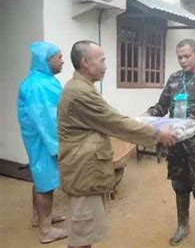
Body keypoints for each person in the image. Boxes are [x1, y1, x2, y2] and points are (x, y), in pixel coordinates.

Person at [58, 40, 174, 248]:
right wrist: (156, 134)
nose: (105, 66)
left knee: (87, 231)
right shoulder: (80, 92)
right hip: (83, 168)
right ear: (86, 62)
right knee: (82, 235)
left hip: (85, 167)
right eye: (102, 60)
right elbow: (115, 122)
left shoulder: (82, 87)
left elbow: (110, 118)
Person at [147, 39, 195, 248]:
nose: (182, 61)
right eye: (179, 57)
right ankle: (183, 226)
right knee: (179, 185)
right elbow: (162, 106)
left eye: (186, 56)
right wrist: (146, 116)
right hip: (176, 143)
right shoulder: (174, 79)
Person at [17, 41, 68, 244]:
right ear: (47, 61)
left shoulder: (42, 79)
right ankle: (46, 229)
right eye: (59, 57)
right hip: (44, 139)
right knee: (45, 182)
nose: (62, 61)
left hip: (40, 139)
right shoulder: (39, 85)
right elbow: (46, 119)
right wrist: (58, 146)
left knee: (41, 178)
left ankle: (39, 216)